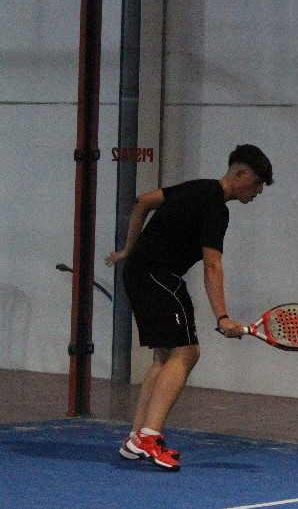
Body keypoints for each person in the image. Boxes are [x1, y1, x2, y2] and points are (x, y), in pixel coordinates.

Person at [105, 144, 273, 471]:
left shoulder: (197, 187)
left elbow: (142, 201)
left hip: (140, 272)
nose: (259, 191)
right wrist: (222, 317)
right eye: (257, 183)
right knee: (187, 352)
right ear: (239, 174)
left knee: (165, 356)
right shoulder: (216, 209)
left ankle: (137, 438)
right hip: (159, 277)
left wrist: (129, 250)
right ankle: (150, 437)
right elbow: (213, 265)